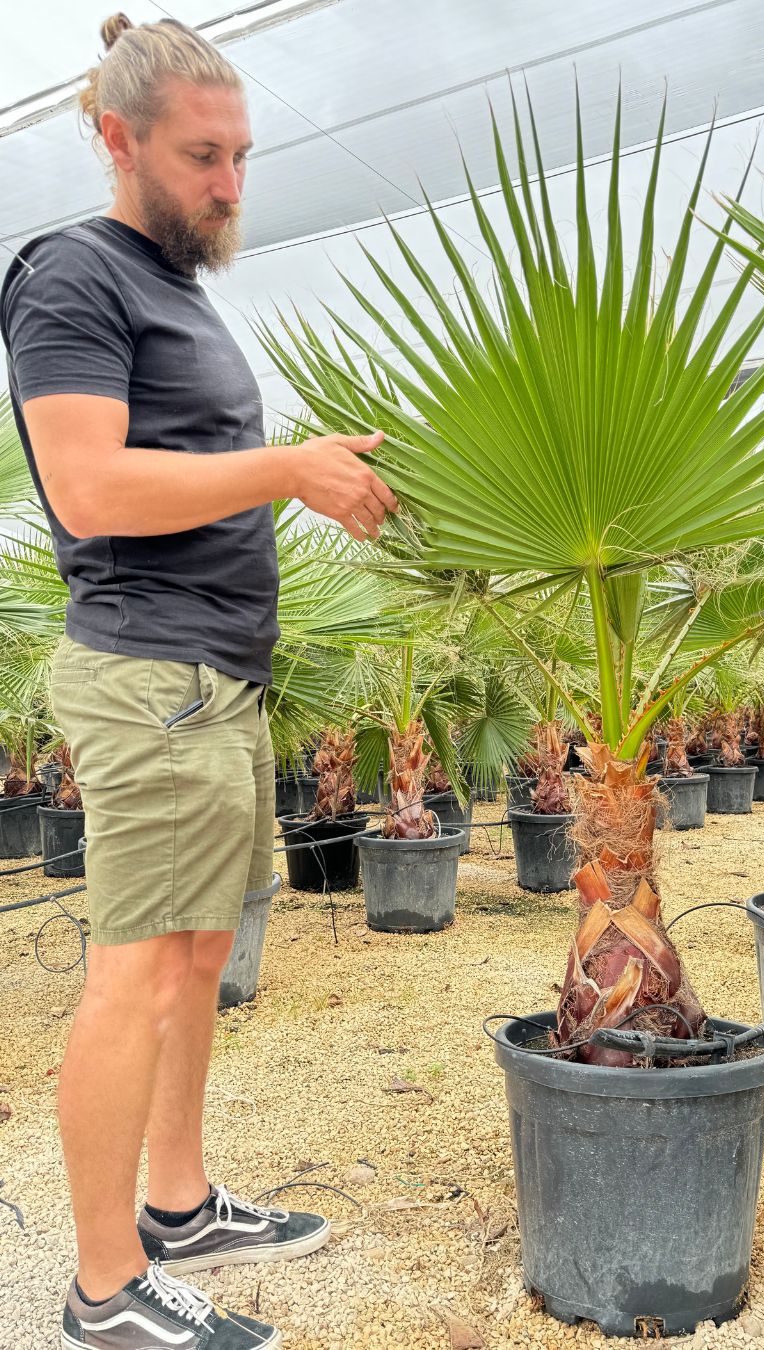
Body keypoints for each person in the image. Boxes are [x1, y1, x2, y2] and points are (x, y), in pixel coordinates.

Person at [1, 13, 397, 1348]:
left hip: (219, 676)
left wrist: (306, 463)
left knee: (195, 958)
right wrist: (288, 468)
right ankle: (103, 1289)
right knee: (131, 972)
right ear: (118, 141)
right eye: (202, 156)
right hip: (148, 673)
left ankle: (176, 1204)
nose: (231, 185)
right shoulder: (72, 276)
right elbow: (90, 486)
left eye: (241, 155)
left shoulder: (177, 285)